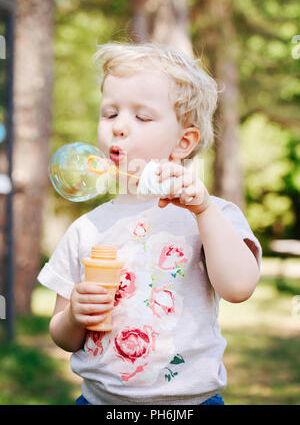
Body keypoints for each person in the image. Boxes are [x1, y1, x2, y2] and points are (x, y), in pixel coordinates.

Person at [37, 42, 262, 406]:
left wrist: (203, 211)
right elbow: (64, 337)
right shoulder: (87, 228)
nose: (119, 128)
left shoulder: (210, 215)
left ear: (183, 141)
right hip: (100, 402)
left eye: (141, 117)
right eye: (110, 114)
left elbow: (239, 288)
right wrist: (74, 315)